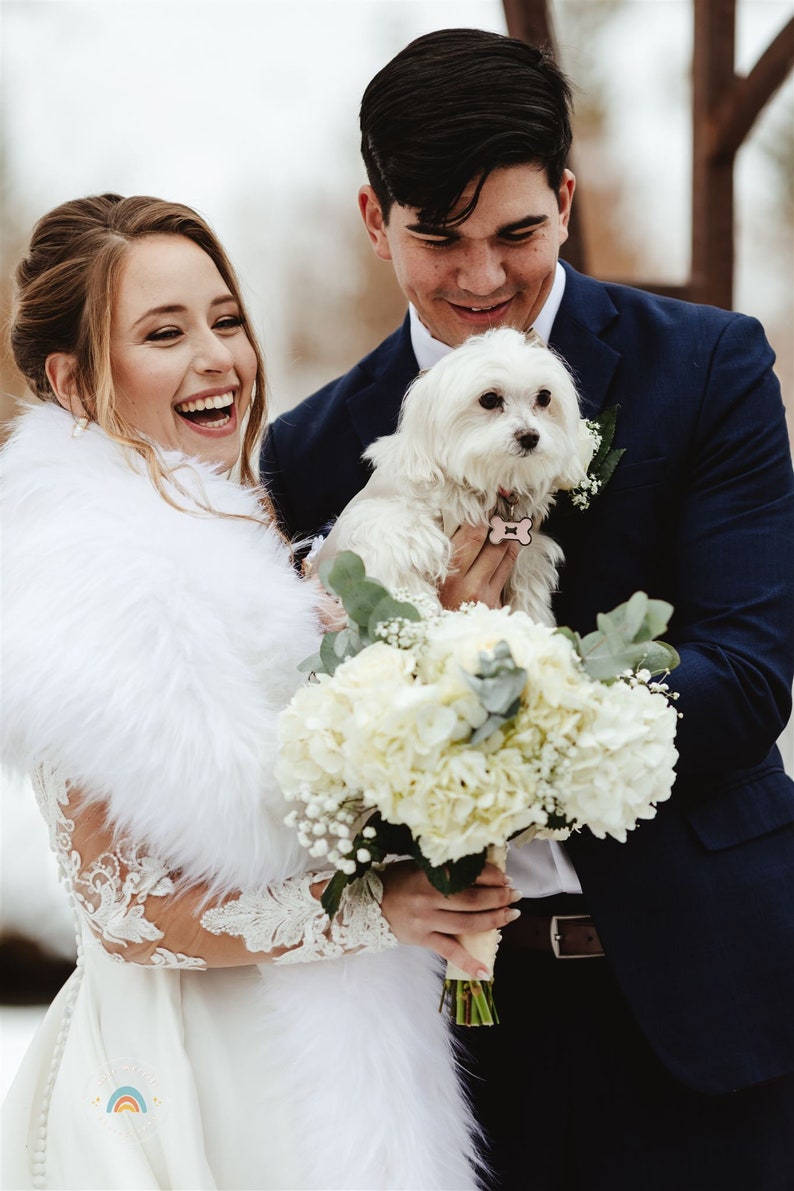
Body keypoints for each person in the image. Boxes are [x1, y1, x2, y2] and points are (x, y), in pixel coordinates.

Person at [260, 27, 794, 1191]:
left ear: (563, 197)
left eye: (517, 233)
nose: (481, 277)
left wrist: (496, 724)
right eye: (436, 239)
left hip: (702, 1007)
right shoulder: (307, 454)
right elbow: (311, 738)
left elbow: (747, 678)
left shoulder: (706, 368)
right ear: (372, 218)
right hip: (452, 1034)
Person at [0, 192, 524, 1191]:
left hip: (332, 1045)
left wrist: (440, 639)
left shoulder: (224, 525)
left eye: (224, 318)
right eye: (164, 332)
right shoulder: (83, 570)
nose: (219, 358)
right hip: (199, 1067)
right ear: (72, 379)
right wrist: (385, 912)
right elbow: (125, 909)